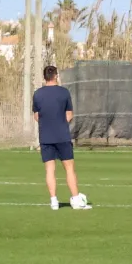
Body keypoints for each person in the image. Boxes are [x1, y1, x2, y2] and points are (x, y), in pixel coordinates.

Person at [32, 65, 90, 210]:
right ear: (56, 76)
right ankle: (76, 200)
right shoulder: (64, 92)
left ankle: (54, 201)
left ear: (45, 77)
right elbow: (69, 115)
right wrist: (60, 123)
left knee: (49, 169)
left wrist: (48, 123)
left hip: (45, 137)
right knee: (69, 168)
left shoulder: (37, 94)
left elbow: (37, 116)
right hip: (62, 135)